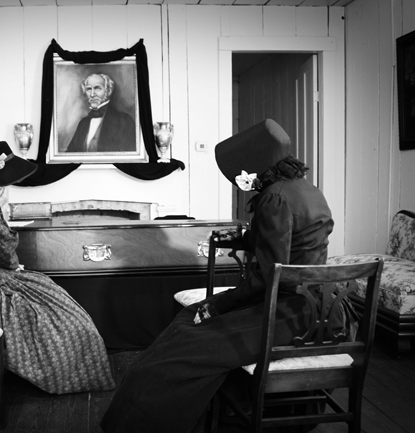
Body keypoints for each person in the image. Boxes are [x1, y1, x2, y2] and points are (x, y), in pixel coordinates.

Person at [100, 119, 356, 433]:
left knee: (187, 339)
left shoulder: (273, 198)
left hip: (290, 312)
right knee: (195, 322)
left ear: (252, 167)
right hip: (324, 310)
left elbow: (268, 277)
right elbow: (294, 244)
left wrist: (217, 305)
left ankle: (137, 424)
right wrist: (245, 239)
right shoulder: (306, 189)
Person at [0, 140, 116, 395]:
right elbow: (2, 247)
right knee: (57, 304)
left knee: (41, 287)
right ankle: (70, 371)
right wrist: (2, 213)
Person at [65, 73, 136, 153]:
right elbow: (70, 154)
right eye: (88, 89)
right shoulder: (83, 123)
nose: (92, 94)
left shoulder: (124, 121)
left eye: (97, 88)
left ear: (108, 91)